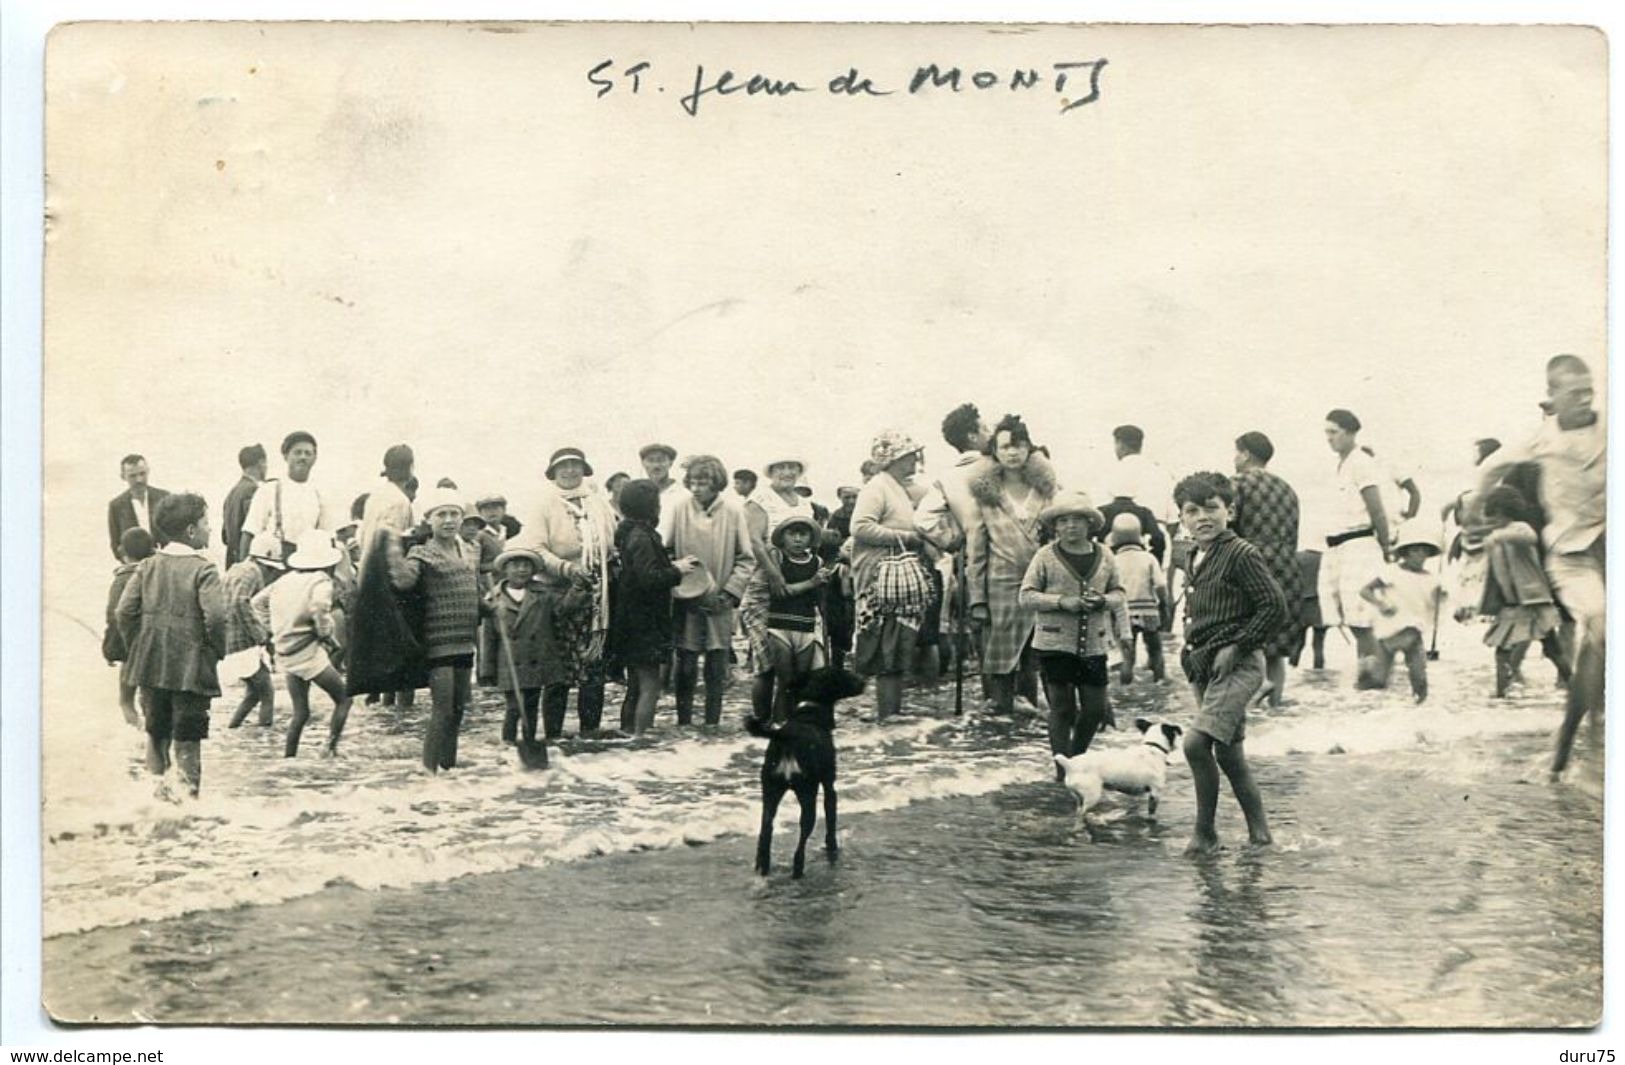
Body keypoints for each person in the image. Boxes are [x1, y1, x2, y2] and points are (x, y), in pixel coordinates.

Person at [1476, 355, 1605, 778]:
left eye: (1589, 389)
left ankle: (1591, 726)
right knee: (1600, 627)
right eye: (1574, 392)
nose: (1586, 398)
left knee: (1597, 643)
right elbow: (1491, 466)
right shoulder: (1540, 439)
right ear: (1552, 396)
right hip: (1573, 557)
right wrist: (1476, 509)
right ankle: (1569, 736)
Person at [1173, 471, 1287, 856]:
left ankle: (1205, 833)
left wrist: (1238, 647)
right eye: (1192, 511)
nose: (1202, 517)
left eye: (1212, 508)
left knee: (1194, 745)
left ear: (1231, 511)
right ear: (1182, 518)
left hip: (1237, 663)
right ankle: (1261, 835)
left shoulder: (1241, 553)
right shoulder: (1192, 553)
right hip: (1204, 664)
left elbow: (1274, 606)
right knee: (1228, 754)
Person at [114, 493, 225, 799]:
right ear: (191, 530)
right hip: (190, 668)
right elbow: (215, 617)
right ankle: (190, 812)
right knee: (188, 740)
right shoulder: (205, 570)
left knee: (156, 734)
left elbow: (124, 612)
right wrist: (216, 651)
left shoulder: (147, 565)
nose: (210, 529)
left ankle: (157, 804)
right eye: (206, 522)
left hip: (151, 664)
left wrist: (139, 646)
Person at [1019, 491, 1127, 769]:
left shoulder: (1106, 555)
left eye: (1078, 520)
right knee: (1061, 708)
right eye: (1063, 521)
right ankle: (1061, 768)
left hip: (1093, 643)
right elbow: (1026, 596)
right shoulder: (1045, 556)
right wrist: (1060, 602)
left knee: (1095, 710)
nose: (1070, 526)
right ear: (1054, 526)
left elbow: (1119, 593)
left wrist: (1103, 601)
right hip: (1054, 643)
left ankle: (1076, 758)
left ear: (1090, 524)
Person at [517, 447, 618, 738]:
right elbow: (535, 547)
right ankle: (553, 738)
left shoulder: (598, 502)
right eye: (564, 466)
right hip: (556, 594)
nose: (570, 471)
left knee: (593, 667)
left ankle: (589, 736)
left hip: (596, 598)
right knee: (557, 670)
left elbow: (612, 542)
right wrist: (565, 568)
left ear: (583, 469)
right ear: (553, 472)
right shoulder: (544, 504)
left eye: (575, 465)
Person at [967, 414, 1059, 714]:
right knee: (1002, 659)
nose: (1012, 452)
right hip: (1001, 584)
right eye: (1005, 446)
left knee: (1042, 652)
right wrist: (977, 599)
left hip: (1044, 583)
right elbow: (977, 549)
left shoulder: (1047, 489)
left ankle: (1041, 720)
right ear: (994, 451)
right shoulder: (985, 493)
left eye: (1019, 445)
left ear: (1029, 448)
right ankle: (1003, 722)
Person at [387, 487, 481, 771]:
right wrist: (392, 551)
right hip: (438, 643)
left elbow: (471, 591)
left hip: (465, 641)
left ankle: (448, 769)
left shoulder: (466, 550)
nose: (449, 520)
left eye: (454, 514)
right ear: (429, 520)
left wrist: (490, 607)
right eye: (442, 515)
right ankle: (428, 775)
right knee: (441, 711)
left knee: (458, 710)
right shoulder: (421, 552)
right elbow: (404, 581)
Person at [667, 455, 755, 726]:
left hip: (720, 599)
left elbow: (746, 558)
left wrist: (728, 593)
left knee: (717, 665)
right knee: (686, 664)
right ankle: (683, 725)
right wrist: (679, 580)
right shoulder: (679, 508)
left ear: (716, 483)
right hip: (686, 599)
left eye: (703, 482)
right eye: (692, 482)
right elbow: (667, 549)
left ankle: (712, 725)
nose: (696, 488)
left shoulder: (733, 511)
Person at [851, 431, 933, 721]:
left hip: (894, 580)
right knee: (887, 648)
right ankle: (887, 714)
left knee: (896, 646)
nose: (916, 460)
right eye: (911, 455)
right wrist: (907, 538)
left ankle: (891, 713)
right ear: (897, 458)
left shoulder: (895, 486)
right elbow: (860, 527)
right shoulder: (877, 487)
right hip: (880, 580)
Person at [253, 529, 352, 757]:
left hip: (286, 652)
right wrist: (325, 634)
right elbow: (319, 608)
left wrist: (273, 629)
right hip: (308, 654)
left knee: (301, 712)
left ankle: (289, 757)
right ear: (328, 562)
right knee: (344, 698)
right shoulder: (321, 582)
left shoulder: (284, 580)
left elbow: (257, 603)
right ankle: (330, 749)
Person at [609, 479, 698, 733]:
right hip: (645, 621)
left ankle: (627, 733)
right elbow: (650, 579)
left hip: (630, 618)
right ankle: (640, 739)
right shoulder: (642, 536)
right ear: (651, 507)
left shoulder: (629, 533)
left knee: (636, 684)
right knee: (651, 684)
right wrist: (677, 569)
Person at [1470, 484, 1571, 697]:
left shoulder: (1520, 528)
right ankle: (1501, 693)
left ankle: (1574, 685)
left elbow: (1529, 538)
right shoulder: (1497, 539)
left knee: (1552, 649)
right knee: (1502, 651)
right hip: (1512, 604)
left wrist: (1498, 535)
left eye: (1496, 517)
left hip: (1534, 602)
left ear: (1509, 512)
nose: (1493, 522)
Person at [482, 546, 587, 749]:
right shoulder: (493, 598)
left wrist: (577, 590)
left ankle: (529, 745)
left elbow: (564, 608)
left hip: (538, 660)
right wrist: (487, 669)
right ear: (505, 569)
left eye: (526, 565)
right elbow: (488, 638)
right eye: (515, 565)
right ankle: (508, 745)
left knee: (530, 706)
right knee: (513, 708)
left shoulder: (543, 594)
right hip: (509, 663)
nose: (521, 570)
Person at [1230, 431, 1304, 707]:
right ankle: (1274, 710)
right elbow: (1294, 533)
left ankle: (1251, 711)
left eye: (1236, 452)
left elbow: (1228, 530)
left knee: (1247, 639)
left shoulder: (1236, 484)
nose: (1234, 459)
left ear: (1246, 454)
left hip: (1251, 563)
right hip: (1286, 566)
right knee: (1276, 648)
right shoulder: (1287, 488)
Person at [1320, 409, 1393, 678]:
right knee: (1350, 620)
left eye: (1334, 432)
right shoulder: (1341, 464)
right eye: (1326, 433)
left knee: (1362, 620)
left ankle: (1374, 680)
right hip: (1338, 547)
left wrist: (1387, 548)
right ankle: (1369, 678)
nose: (1329, 438)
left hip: (1359, 545)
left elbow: (1377, 509)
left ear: (1350, 433)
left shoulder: (1361, 462)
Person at [742, 515, 833, 723]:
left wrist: (823, 584)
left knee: (799, 683)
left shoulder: (817, 562)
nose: (798, 539)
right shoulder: (778, 558)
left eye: (803, 534)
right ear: (783, 538)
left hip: (806, 626)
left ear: (811, 539)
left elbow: (819, 601)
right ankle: (777, 725)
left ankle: (793, 725)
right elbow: (780, 592)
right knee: (785, 681)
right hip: (779, 625)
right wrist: (812, 582)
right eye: (792, 534)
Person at [359, 444, 419, 708]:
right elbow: (396, 542)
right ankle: (401, 716)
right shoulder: (400, 500)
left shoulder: (375, 496)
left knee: (385, 649)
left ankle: (386, 709)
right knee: (405, 653)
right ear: (410, 468)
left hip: (367, 572)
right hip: (388, 577)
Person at [1358, 531, 1446, 702]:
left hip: (1413, 632)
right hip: (1389, 631)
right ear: (1405, 553)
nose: (1420, 555)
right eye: (1415, 551)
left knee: (1419, 677)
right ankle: (1364, 684)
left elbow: (1438, 603)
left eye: (1424, 551)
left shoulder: (1432, 579)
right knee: (1378, 680)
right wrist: (1381, 604)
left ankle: (1419, 711)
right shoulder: (1391, 572)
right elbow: (1365, 590)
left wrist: (1442, 598)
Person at [221, 533, 285, 728]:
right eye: (271, 569)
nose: (270, 574)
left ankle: (233, 728)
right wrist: (261, 635)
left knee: (253, 693)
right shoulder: (252, 571)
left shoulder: (236, 569)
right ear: (264, 562)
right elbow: (240, 602)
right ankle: (265, 737)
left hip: (230, 640)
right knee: (267, 692)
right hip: (242, 642)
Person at [238, 431, 331, 564]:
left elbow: (326, 537)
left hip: (308, 565)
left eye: (308, 453)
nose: (303, 457)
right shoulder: (269, 490)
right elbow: (249, 533)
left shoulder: (319, 495)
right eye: (297, 452)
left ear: (315, 458)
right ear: (286, 456)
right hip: (274, 564)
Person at [103, 526, 155, 728]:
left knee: (126, 702)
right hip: (153, 649)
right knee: (150, 700)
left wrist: (110, 649)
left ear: (121, 551)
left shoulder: (121, 579)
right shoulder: (154, 574)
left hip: (129, 653)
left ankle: (137, 746)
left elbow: (115, 616)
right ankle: (153, 741)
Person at [743, 457, 817, 600]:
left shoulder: (805, 504)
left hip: (799, 577)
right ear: (771, 472)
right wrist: (774, 575)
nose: (787, 472)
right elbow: (754, 541)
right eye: (781, 468)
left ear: (799, 471)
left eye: (791, 467)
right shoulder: (760, 498)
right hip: (765, 577)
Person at [1107, 513, 1169, 684]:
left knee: (1128, 656)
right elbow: (1160, 585)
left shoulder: (1113, 561)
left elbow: (1109, 590)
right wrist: (1164, 605)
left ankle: (1125, 690)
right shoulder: (1149, 558)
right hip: (1149, 610)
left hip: (1124, 614)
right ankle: (1160, 682)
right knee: (1155, 650)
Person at [1111, 425, 1177, 537]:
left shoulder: (1117, 471)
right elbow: (1174, 520)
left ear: (1120, 444)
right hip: (1159, 535)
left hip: (1127, 536)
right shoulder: (1162, 472)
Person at [822, 485, 860, 670]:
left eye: (854, 497)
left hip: (858, 567)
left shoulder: (862, 514)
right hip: (839, 571)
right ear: (840, 497)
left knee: (851, 617)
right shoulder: (835, 517)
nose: (851, 501)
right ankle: (836, 661)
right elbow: (830, 544)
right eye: (847, 497)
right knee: (838, 617)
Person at [107, 454, 170, 559]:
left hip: (164, 563)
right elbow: (116, 544)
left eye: (142, 474)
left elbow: (176, 533)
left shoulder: (164, 498)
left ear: (148, 471)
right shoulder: (116, 506)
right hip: (136, 567)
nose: (139, 480)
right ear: (123, 476)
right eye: (132, 476)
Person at [222, 444, 267, 567]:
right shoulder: (253, 491)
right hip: (246, 565)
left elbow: (225, 537)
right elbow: (253, 533)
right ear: (261, 462)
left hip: (232, 564)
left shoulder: (232, 492)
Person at [1288, 549, 1329, 670]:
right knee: (1318, 645)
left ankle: (1292, 671)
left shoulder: (1297, 556)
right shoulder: (1324, 557)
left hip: (1301, 603)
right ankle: (1318, 673)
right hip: (1320, 604)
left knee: (1298, 643)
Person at [640, 443, 689, 544]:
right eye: (651, 460)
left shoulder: (684, 495)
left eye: (661, 460)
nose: (656, 466)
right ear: (643, 463)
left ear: (670, 463)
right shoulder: (638, 494)